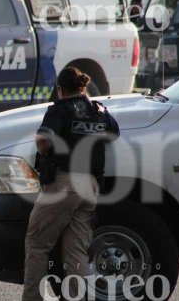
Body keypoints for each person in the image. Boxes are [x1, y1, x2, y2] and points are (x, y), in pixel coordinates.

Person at [22, 67, 120, 301]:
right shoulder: (98, 109)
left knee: (37, 243)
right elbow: (114, 133)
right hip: (90, 186)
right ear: (83, 87)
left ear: (60, 90)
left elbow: (44, 140)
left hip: (63, 185)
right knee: (76, 252)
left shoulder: (59, 110)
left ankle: (32, 297)